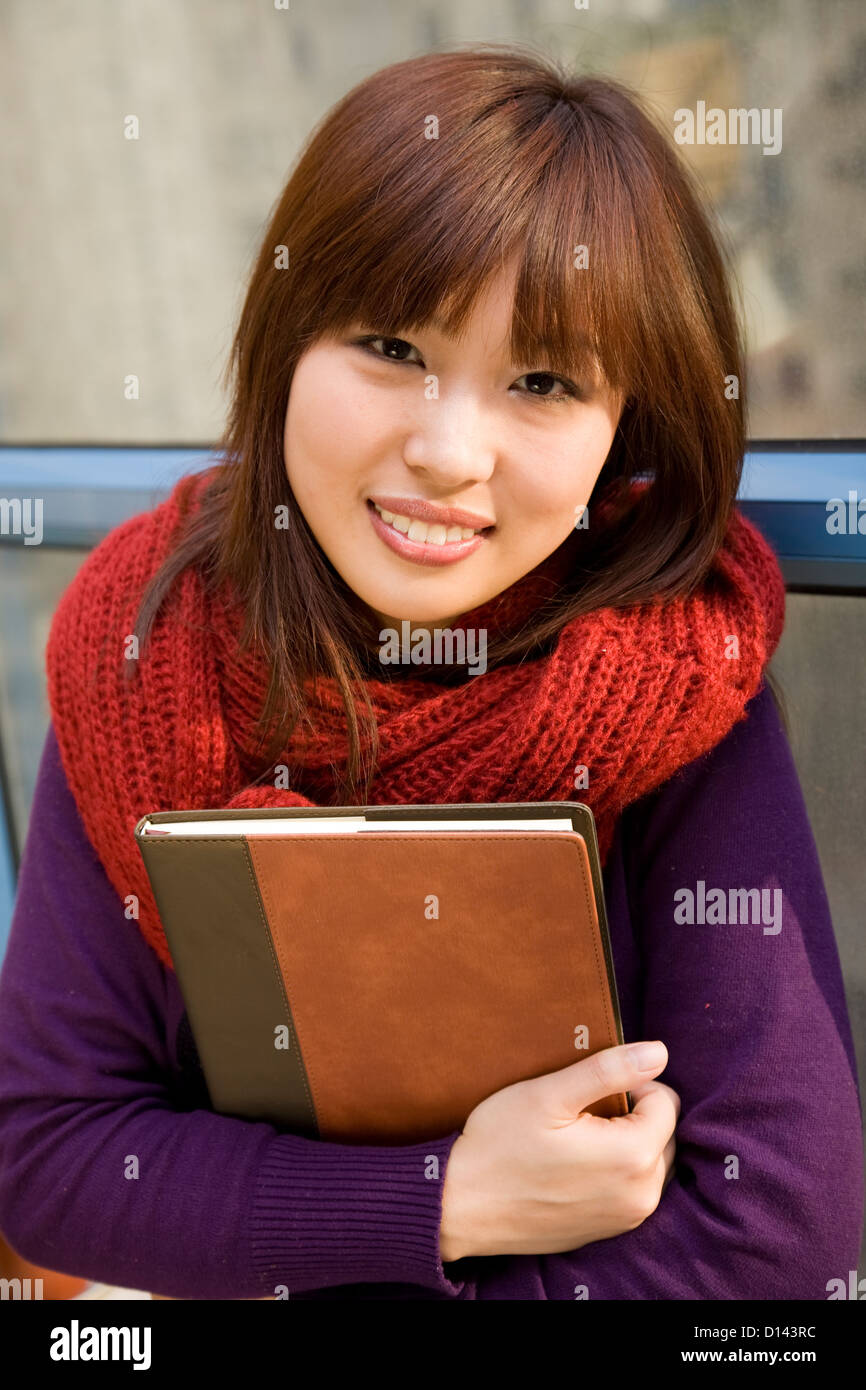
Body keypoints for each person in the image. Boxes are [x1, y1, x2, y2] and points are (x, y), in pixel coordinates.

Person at [0, 45, 861, 1301]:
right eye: (392, 346)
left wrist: (264, 1224)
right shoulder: (147, 646)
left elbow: (777, 1224)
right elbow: (56, 1156)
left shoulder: (672, 674)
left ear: (623, 429)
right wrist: (445, 1200)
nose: (448, 451)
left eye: (542, 381)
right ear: (287, 344)